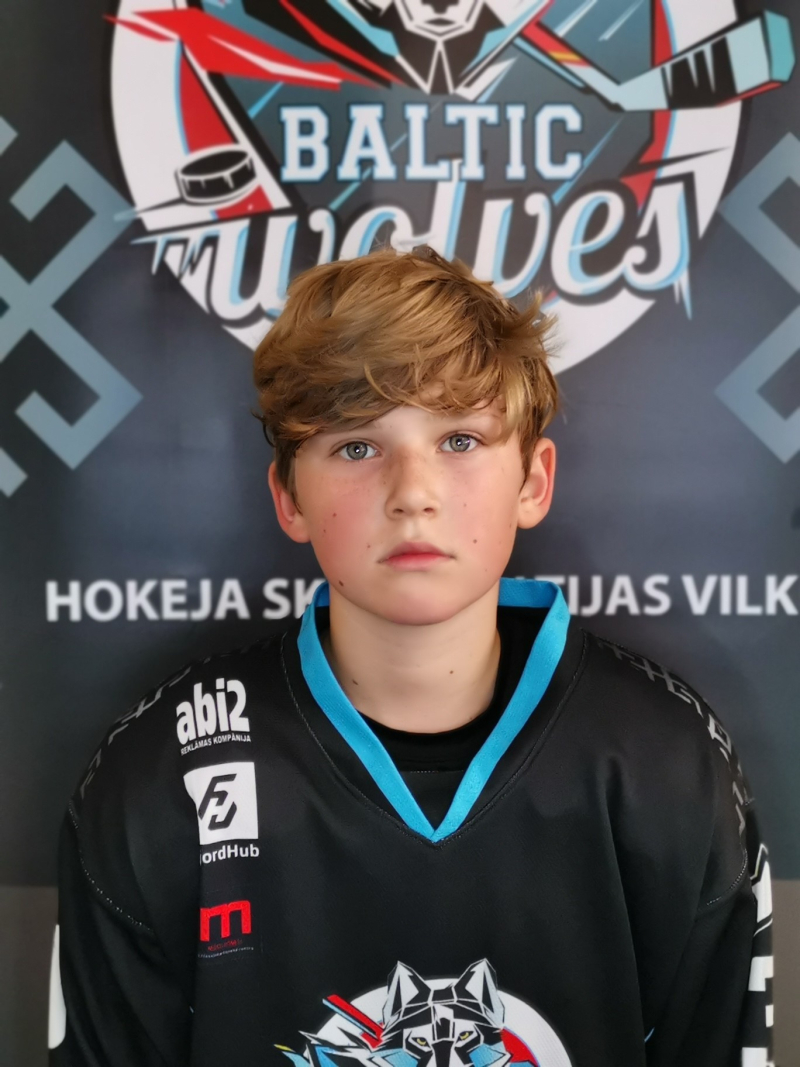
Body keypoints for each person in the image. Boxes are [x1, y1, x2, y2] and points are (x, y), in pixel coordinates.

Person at [51, 247, 773, 1067]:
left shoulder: (669, 764)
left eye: (459, 438)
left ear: (533, 481)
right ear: (289, 495)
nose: (413, 493)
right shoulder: (161, 778)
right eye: (357, 447)